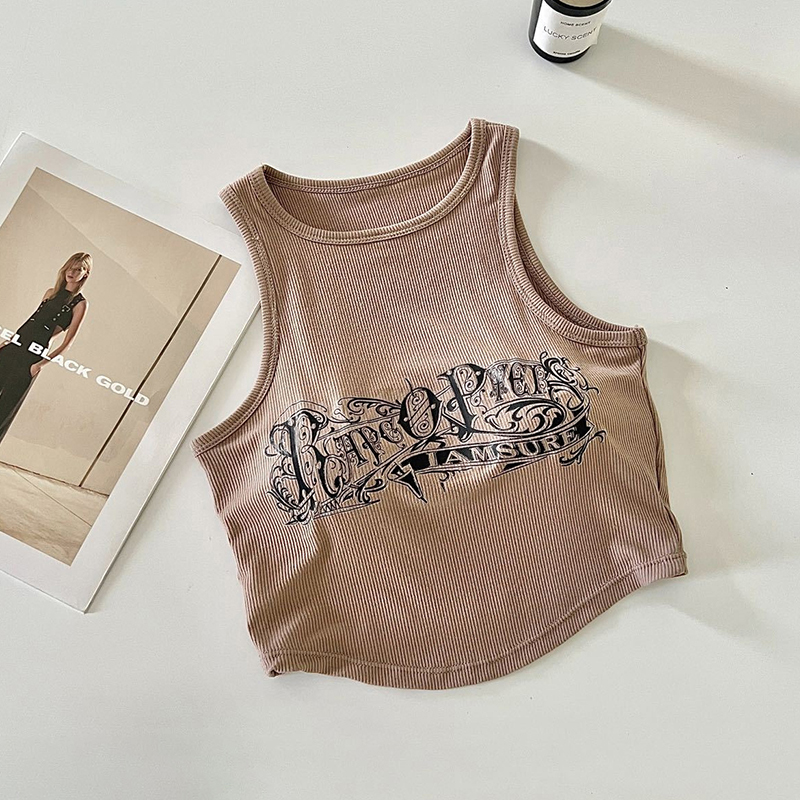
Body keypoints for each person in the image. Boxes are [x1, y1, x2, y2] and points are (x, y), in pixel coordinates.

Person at [0, 252, 91, 445]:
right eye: (70, 267)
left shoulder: (80, 303)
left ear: (85, 274)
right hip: (14, 346)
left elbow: (68, 342)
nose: (72, 272)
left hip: (33, 355)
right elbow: (31, 322)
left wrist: (41, 364)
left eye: (78, 269)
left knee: (5, 406)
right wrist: (7, 342)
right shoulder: (51, 293)